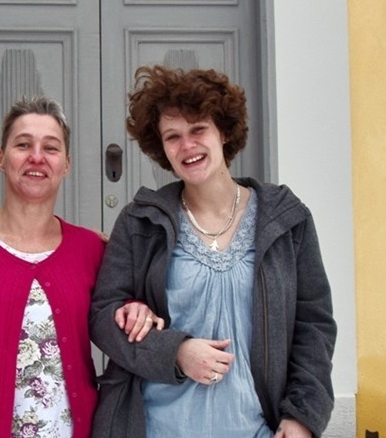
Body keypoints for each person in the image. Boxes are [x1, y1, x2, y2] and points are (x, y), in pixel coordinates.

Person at [89, 66, 337, 438]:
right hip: (155, 427)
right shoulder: (141, 222)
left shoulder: (287, 219)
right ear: (161, 149)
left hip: (256, 428)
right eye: (173, 136)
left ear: (223, 131)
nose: (187, 145)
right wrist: (175, 352)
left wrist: (302, 416)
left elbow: (313, 327)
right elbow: (103, 315)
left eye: (198, 129)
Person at [0, 96, 162, 438]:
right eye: (23, 145)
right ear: (1, 158)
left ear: (66, 163)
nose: (36, 157)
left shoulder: (90, 249)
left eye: (50, 148)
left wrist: (135, 308)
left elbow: (117, 308)